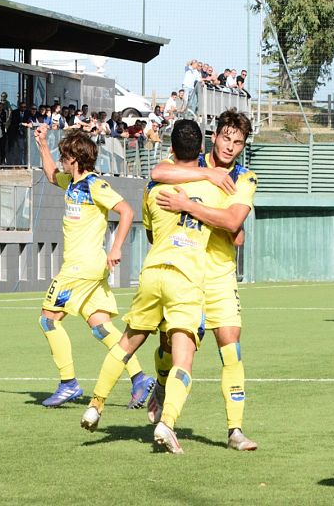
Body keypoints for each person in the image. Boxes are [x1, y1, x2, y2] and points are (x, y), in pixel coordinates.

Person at [80, 120, 226, 454]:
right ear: (201, 151)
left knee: (127, 342)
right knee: (183, 357)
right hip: (186, 277)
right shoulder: (216, 188)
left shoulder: (153, 187)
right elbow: (231, 230)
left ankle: (95, 405)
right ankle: (167, 422)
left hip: (152, 272)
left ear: (171, 150)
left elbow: (149, 232)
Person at [148, 110, 259, 451]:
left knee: (232, 349)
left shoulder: (245, 178)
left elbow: (232, 221)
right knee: (171, 348)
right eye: (226, 138)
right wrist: (208, 175)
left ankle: (235, 430)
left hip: (221, 275)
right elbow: (157, 172)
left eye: (238, 142)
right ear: (214, 136)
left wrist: (188, 205)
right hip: (184, 274)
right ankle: (163, 382)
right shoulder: (190, 161)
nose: (230, 147)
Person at [33, 125, 155, 409]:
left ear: (75, 159)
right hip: (86, 268)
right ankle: (139, 378)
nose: (62, 160)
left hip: (81, 267)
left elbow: (126, 211)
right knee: (101, 327)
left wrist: (115, 247)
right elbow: (51, 175)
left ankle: (68, 383)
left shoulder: (94, 185)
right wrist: (41, 144)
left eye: (64, 156)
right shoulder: (72, 183)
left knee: (48, 319)